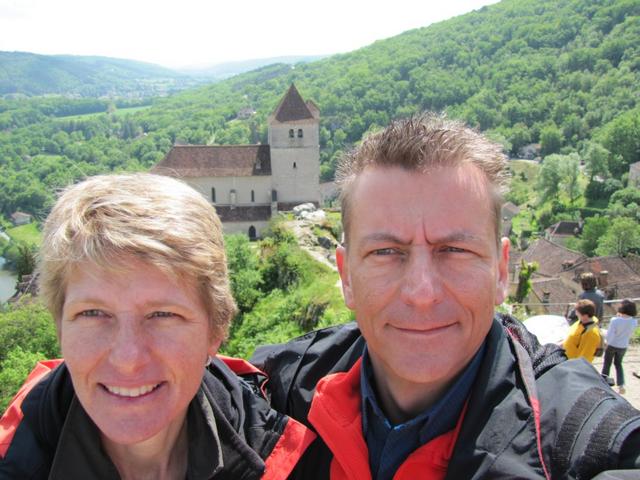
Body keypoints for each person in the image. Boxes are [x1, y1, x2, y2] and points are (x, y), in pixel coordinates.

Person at [251, 114, 640, 479]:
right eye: (385, 252)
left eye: (455, 250)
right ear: (346, 275)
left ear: (501, 271)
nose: (422, 293)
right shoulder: (275, 389)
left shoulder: (585, 441)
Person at [0, 173, 314, 479]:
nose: (127, 358)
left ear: (216, 329)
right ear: (60, 328)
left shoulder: (297, 463)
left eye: (162, 314)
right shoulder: (10, 461)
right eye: (93, 313)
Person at [602, 299, 638, 395]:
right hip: (623, 346)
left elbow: (610, 335)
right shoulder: (634, 322)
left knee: (607, 363)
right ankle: (621, 384)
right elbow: (629, 333)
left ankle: (604, 382)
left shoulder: (615, 320)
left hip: (612, 344)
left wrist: (606, 343)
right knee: (618, 364)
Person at [563, 299, 603, 363]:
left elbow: (585, 357)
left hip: (573, 364)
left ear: (585, 316)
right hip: (567, 359)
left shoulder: (591, 334)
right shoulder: (581, 321)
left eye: (578, 312)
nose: (576, 314)